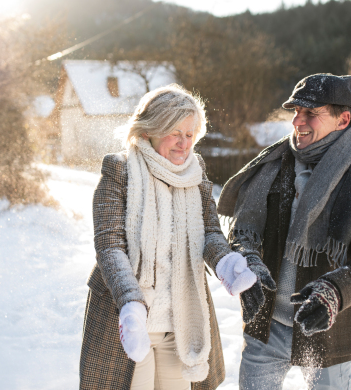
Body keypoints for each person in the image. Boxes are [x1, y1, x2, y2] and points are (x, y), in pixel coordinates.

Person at [79, 84, 273, 390]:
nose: (185, 143)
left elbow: (209, 231)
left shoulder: (195, 173)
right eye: (175, 132)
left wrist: (225, 264)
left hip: (180, 320)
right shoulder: (119, 170)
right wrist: (131, 305)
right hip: (128, 320)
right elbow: (109, 246)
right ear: (149, 131)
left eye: (190, 133)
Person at [217, 73, 351, 389]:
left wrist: (334, 292)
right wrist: (250, 264)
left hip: (329, 329)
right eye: (295, 112)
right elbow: (244, 232)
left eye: (310, 113)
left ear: (343, 119)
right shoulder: (274, 164)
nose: (296, 121)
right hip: (266, 325)